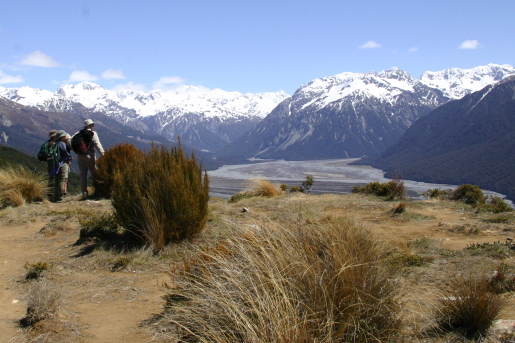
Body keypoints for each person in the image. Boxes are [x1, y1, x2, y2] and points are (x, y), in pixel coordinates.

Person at [72, 119, 105, 199]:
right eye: (93, 125)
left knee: (83, 175)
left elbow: (70, 140)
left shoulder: (79, 133)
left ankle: (84, 193)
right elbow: (98, 145)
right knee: (95, 174)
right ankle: (98, 191)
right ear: (90, 126)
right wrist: (104, 154)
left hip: (80, 156)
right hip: (89, 155)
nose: (93, 126)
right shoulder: (93, 133)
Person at [52, 130, 73, 202]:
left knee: (57, 180)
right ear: (62, 136)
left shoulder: (55, 143)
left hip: (56, 163)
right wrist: (69, 157)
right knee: (62, 179)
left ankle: (55, 195)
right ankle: (60, 196)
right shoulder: (62, 144)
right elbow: (65, 152)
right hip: (62, 163)